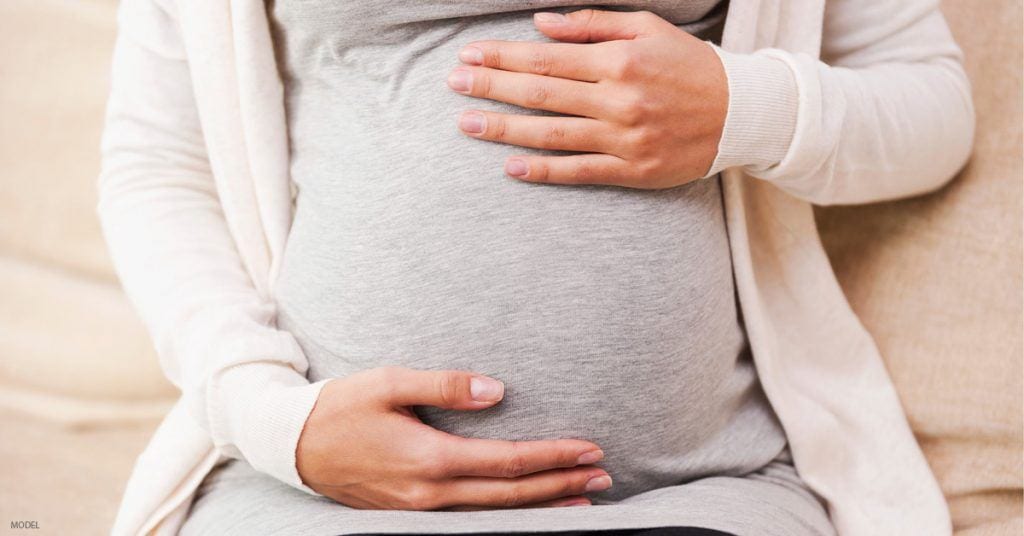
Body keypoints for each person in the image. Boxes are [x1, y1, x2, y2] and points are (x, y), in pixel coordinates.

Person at [97, 1, 974, 535]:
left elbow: (933, 105)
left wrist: (746, 108)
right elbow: (155, 168)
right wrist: (269, 419)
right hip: (320, 503)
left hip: (699, 495)